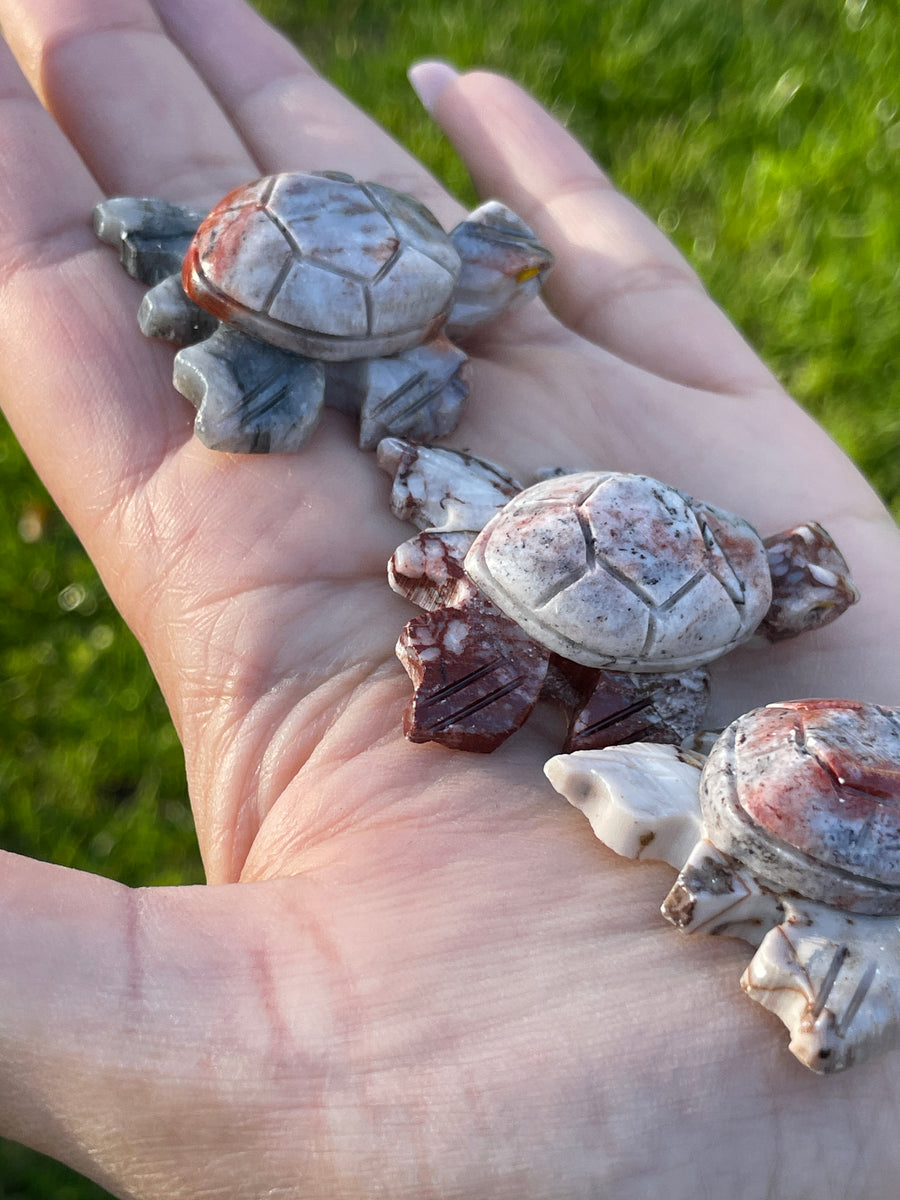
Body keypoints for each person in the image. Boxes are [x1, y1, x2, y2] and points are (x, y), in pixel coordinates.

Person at [0, 1, 898, 1197]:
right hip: (589, 564)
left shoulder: (622, 593)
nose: (522, 282)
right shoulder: (691, 595)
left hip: (559, 539)